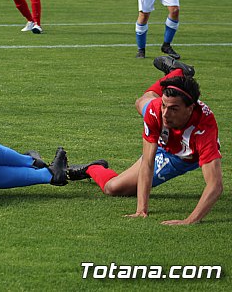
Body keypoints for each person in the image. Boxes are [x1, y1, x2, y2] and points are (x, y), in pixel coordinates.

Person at [75, 56, 222, 225]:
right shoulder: (156, 111)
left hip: (181, 157)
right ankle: (175, 73)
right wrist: (141, 209)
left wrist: (190, 220)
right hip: (163, 143)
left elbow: (215, 185)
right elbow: (148, 161)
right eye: (164, 105)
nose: (166, 114)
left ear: (190, 108)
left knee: (113, 189)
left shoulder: (204, 130)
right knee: (141, 103)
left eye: (173, 109)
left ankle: (176, 74)